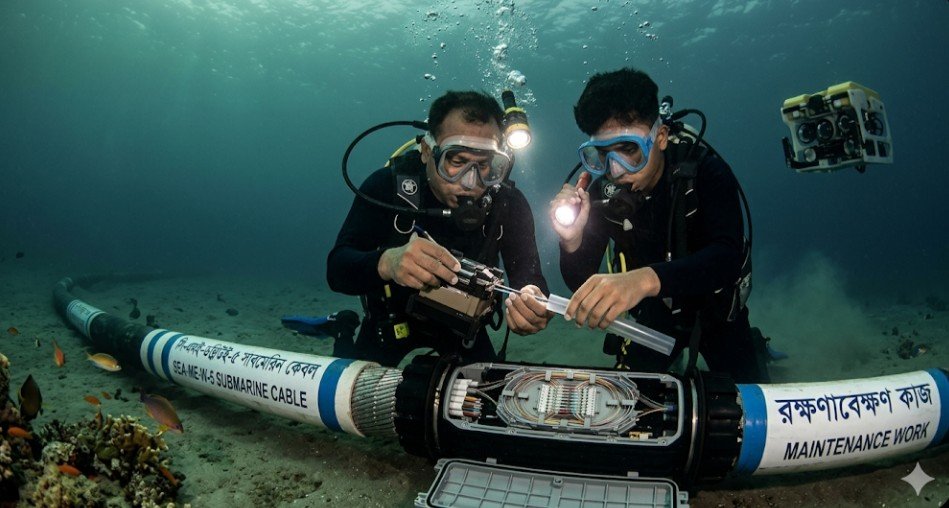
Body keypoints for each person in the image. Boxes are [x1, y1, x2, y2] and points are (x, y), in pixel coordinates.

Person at [550, 67, 769, 383]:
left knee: (750, 397)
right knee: (632, 399)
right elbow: (580, 282)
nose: (616, 171)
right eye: (602, 155)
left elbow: (726, 258)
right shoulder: (601, 194)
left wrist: (643, 281)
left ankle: (757, 346)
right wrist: (571, 241)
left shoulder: (707, 172)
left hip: (718, 310)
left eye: (629, 150)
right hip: (655, 316)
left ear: (661, 137)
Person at [328, 90, 551, 367]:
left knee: (489, 392)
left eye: (484, 165)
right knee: (349, 387)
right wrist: (388, 263)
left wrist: (533, 301)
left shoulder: (508, 203)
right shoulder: (386, 187)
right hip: (390, 324)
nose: (470, 182)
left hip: (464, 331)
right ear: (426, 152)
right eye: (456, 162)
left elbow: (530, 277)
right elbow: (337, 270)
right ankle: (342, 329)